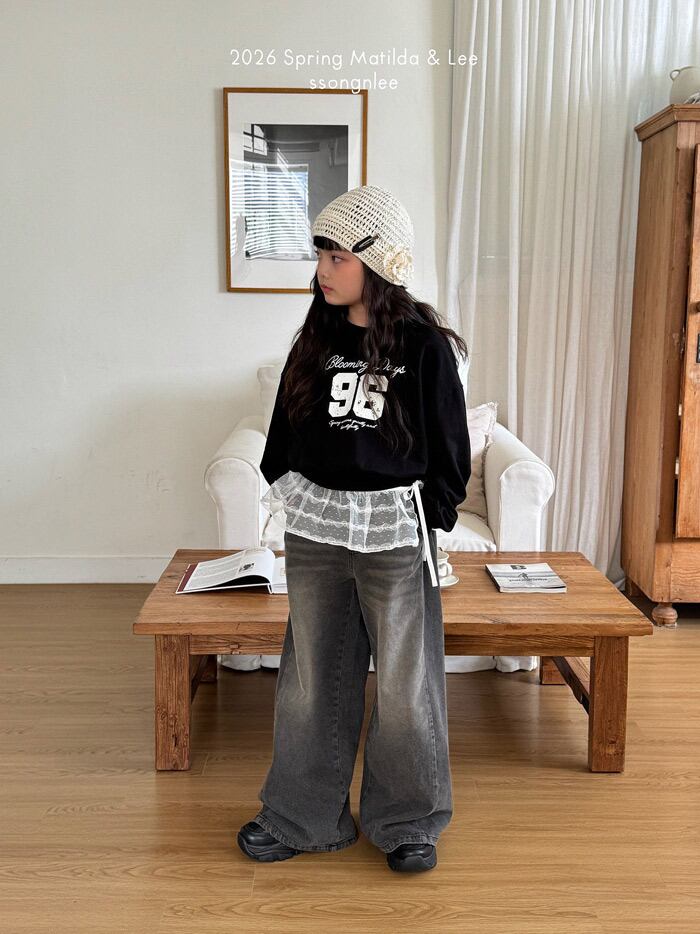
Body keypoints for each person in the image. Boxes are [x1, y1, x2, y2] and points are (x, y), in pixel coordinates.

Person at [237, 185, 472, 873]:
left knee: (405, 684)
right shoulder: (315, 339)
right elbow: (282, 432)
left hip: (393, 534)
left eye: (337, 257)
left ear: (380, 262)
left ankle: (408, 822)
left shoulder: (425, 346)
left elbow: (451, 450)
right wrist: (288, 487)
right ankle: (303, 816)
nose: (322, 271)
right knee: (312, 678)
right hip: (317, 530)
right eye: (320, 255)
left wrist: (429, 517)